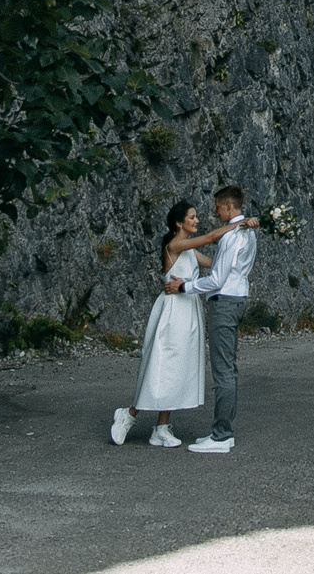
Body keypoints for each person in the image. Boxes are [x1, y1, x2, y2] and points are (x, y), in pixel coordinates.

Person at [111, 200, 245, 447]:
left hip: (189, 309)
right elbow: (210, 237)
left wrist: (243, 239)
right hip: (172, 309)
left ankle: (161, 427)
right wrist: (240, 223)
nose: (196, 220)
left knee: (178, 367)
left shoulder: (190, 251)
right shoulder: (174, 245)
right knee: (161, 364)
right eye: (192, 217)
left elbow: (217, 263)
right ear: (179, 223)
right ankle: (129, 414)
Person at [175, 183, 261, 454]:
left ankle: (222, 435)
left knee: (223, 370)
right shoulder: (246, 232)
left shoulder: (233, 235)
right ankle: (224, 432)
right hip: (236, 298)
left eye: (217, 208)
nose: (214, 213)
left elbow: (217, 279)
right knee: (228, 369)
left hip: (224, 302)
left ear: (227, 206)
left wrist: (184, 287)